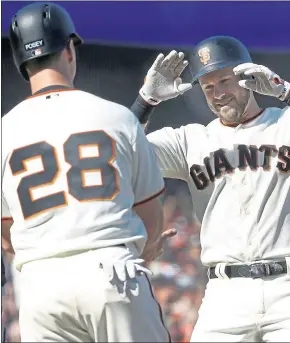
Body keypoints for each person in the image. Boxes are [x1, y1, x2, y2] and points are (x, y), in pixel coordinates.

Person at [130, 35, 290, 342]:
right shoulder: (189, 141)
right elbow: (119, 155)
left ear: (246, 76)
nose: (218, 94)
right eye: (208, 86)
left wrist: (287, 92)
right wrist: (146, 101)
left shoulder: (288, 124)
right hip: (224, 294)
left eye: (224, 80)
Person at [1, 2, 174, 342]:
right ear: (69, 50)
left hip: (41, 286)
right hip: (112, 271)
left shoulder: (3, 131)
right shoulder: (118, 117)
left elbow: (6, 235)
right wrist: (148, 247)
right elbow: (151, 220)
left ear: (21, 61)